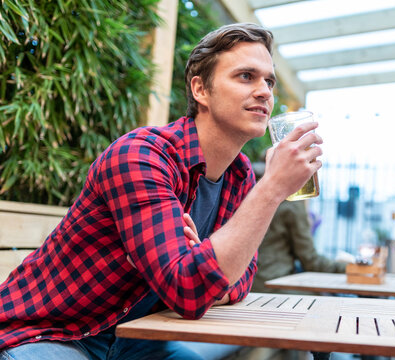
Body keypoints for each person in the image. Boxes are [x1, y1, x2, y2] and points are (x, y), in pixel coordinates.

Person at [0, 23, 322, 359]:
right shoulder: (141, 156)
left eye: (268, 81)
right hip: (54, 334)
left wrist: (204, 262)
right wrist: (271, 188)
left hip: (137, 341)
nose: (264, 91)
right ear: (201, 90)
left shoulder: (239, 175)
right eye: (246, 76)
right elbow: (191, 291)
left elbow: (241, 281)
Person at [251, 199, 346, 294]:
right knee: (323, 298)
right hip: (272, 284)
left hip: (249, 282)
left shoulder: (254, 191)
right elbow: (311, 261)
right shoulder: (292, 201)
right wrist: (348, 267)